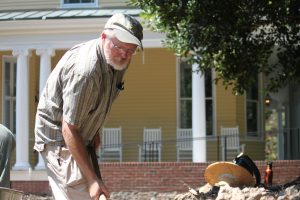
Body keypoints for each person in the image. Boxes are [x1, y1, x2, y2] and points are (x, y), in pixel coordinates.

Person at [34, 13, 143, 200]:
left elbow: (97, 100)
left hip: (80, 131)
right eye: (120, 47)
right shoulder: (85, 71)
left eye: (131, 49)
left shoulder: (119, 60)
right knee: (79, 193)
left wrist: (94, 129)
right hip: (59, 137)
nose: (125, 54)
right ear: (104, 37)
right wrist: (92, 180)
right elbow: (68, 128)